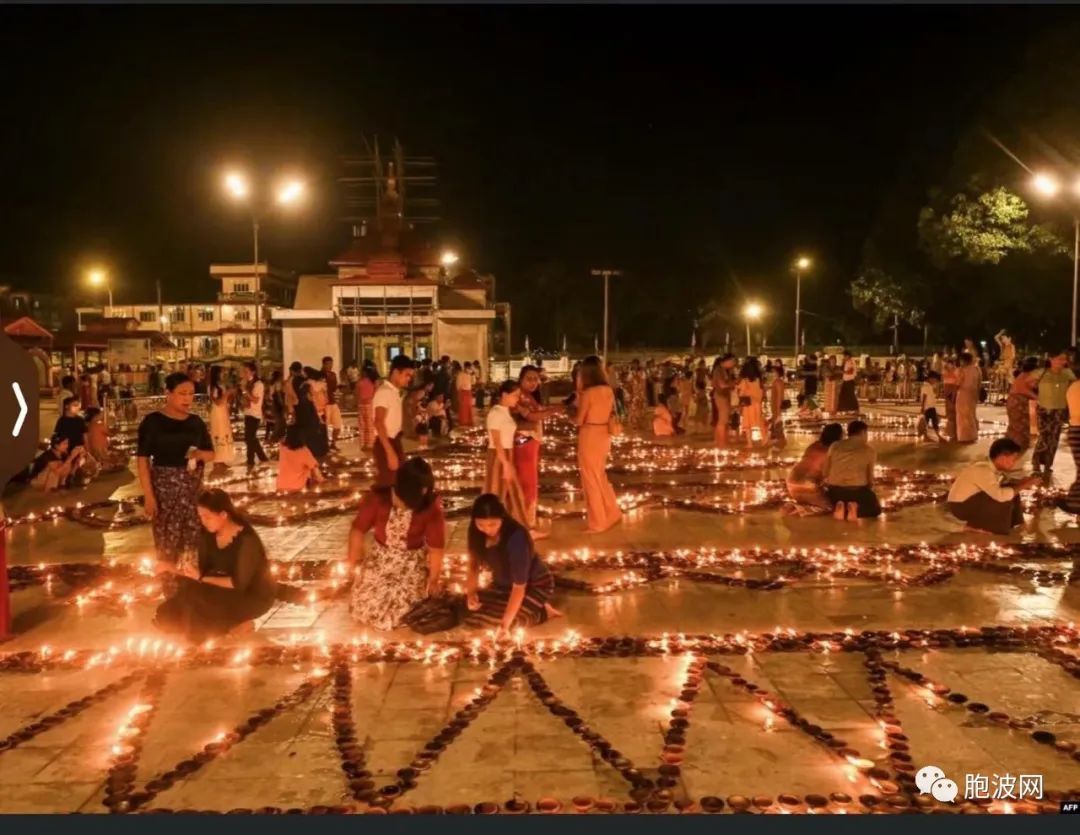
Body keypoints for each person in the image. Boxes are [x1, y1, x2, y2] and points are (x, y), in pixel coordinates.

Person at [153, 489, 277, 642]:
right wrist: (172, 568)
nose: (203, 521)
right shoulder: (208, 536)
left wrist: (201, 578)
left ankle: (235, 624)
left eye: (207, 517)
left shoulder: (247, 541)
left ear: (223, 515)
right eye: (200, 517)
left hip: (249, 596)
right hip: (218, 589)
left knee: (196, 604)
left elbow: (238, 583)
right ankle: (223, 624)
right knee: (166, 613)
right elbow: (201, 573)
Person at [347, 457, 446, 630]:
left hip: (410, 563)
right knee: (367, 605)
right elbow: (357, 530)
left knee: (404, 610)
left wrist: (434, 579)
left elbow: (436, 548)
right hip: (380, 559)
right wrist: (354, 561)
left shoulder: (430, 508)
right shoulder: (379, 500)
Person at [137, 373, 215, 567]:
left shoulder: (196, 422)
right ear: (168, 393)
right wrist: (149, 495)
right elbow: (142, 459)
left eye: (191, 394)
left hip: (193, 490)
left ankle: (191, 583)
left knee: (193, 541)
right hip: (165, 492)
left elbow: (211, 454)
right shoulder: (153, 422)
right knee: (167, 541)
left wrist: (198, 454)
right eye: (182, 393)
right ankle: (169, 583)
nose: (188, 398)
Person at [464, 493, 558, 636]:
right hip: (503, 585)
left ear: (502, 519)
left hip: (534, 585)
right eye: (481, 524)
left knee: (499, 623)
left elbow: (519, 586)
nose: (487, 529)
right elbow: (473, 566)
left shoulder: (517, 537)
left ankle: (544, 612)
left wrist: (504, 625)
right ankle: (528, 607)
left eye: (492, 524)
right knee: (467, 613)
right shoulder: (476, 533)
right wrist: (471, 594)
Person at [947, 438, 1040, 534]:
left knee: (1011, 488)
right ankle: (980, 526)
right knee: (1003, 497)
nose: (1014, 463)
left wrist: (1021, 483)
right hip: (961, 507)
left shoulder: (990, 467)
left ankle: (1013, 522)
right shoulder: (983, 470)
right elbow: (1000, 495)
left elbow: (1004, 483)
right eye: (1013, 459)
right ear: (1002, 457)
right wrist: (1024, 485)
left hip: (971, 502)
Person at [574, 355, 622, 534]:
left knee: (590, 478)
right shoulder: (607, 389)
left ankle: (598, 522)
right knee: (600, 475)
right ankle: (612, 512)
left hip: (590, 434)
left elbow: (579, 420)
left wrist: (575, 402)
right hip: (604, 435)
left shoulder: (589, 393)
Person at [514, 365, 561, 531]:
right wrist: (557, 409)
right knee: (527, 482)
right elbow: (533, 416)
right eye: (529, 379)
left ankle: (526, 520)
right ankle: (525, 522)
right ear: (521, 379)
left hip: (530, 443)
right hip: (524, 442)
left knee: (529, 482)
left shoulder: (529, 396)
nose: (533, 382)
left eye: (536, 379)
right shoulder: (519, 395)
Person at [486, 380, 530, 525]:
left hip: (507, 453)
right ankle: (489, 523)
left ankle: (520, 526)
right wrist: (505, 463)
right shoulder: (495, 413)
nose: (518, 399)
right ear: (504, 395)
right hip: (499, 455)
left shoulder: (505, 412)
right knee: (496, 491)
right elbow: (496, 441)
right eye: (515, 395)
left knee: (512, 492)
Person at [823, 420, 881, 521]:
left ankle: (841, 507)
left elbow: (825, 472)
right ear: (863, 432)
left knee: (832, 500)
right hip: (857, 491)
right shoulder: (869, 450)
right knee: (875, 510)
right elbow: (870, 480)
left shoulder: (835, 446)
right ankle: (854, 509)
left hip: (835, 491)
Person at [373, 354, 415, 487]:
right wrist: (389, 451)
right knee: (388, 483)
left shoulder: (395, 392)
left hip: (395, 441)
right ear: (396, 372)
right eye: (407, 375)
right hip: (386, 442)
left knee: (398, 481)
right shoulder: (384, 392)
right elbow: (378, 422)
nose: (409, 379)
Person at [784, 422, 844, 513]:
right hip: (807, 485)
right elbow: (828, 476)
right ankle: (797, 508)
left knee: (816, 499)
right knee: (829, 508)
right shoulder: (831, 452)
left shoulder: (814, 445)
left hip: (791, 481)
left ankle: (801, 504)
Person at [1033, 350, 1075, 474]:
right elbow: (1026, 383)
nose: (1063, 361)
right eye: (1060, 358)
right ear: (1051, 359)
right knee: (1043, 438)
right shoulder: (1041, 373)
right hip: (1043, 410)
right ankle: (1036, 463)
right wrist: (1035, 397)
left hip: (1059, 410)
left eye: (1064, 359)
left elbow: (1074, 385)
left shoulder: (1068, 373)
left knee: (1054, 438)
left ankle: (1047, 464)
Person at [276, 423, 325, 493]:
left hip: (281, 485)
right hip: (297, 488)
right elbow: (316, 472)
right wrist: (323, 481)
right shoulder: (304, 451)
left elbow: (282, 439)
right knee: (311, 468)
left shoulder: (282, 448)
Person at [1005, 357, 1040, 452]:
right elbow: (1031, 389)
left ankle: (1010, 444)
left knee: (1014, 425)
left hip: (1012, 401)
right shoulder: (1031, 376)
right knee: (1023, 425)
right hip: (1020, 402)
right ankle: (1018, 445)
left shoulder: (1021, 375)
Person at [240, 361, 269, 471]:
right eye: (244, 371)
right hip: (248, 412)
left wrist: (244, 391)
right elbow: (245, 398)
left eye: (246, 371)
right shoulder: (248, 383)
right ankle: (261, 457)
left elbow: (255, 400)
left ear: (253, 372)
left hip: (255, 414)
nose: (244, 373)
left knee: (250, 438)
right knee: (251, 438)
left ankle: (250, 460)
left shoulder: (258, 384)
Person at [207, 365, 234, 476]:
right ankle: (217, 460)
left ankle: (222, 459)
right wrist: (227, 394)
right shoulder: (213, 387)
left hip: (223, 411)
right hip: (217, 412)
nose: (224, 374)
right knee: (219, 433)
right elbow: (217, 402)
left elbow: (224, 400)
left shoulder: (220, 385)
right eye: (222, 372)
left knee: (224, 432)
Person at [296, 381, 329, 462]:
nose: (313, 391)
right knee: (313, 439)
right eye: (311, 389)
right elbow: (312, 412)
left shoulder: (302, 401)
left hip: (309, 423)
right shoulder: (307, 401)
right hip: (310, 423)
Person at [85, 407, 127, 471]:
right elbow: (110, 433)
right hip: (101, 448)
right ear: (96, 416)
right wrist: (117, 430)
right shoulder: (99, 425)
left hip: (94, 448)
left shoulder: (89, 425)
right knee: (118, 455)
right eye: (100, 414)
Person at [736, 358, 766, 447]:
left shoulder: (744, 380)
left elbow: (741, 392)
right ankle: (764, 439)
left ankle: (750, 443)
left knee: (747, 424)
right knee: (760, 421)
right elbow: (762, 391)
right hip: (757, 403)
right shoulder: (758, 379)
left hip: (748, 404)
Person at [954, 352, 981, 444]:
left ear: (963, 361)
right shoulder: (976, 369)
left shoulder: (961, 370)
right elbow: (979, 383)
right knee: (971, 414)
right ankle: (973, 435)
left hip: (963, 393)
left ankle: (964, 436)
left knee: (962, 415)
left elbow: (957, 383)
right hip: (973, 394)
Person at [710, 354, 736, 447]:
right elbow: (722, 385)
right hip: (720, 395)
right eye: (732, 361)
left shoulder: (725, 370)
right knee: (723, 419)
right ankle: (721, 442)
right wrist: (733, 383)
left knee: (724, 419)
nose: (733, 364)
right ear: (726, 361)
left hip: (724, 395)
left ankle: (720, 440)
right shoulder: (719, 370)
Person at [356, 361, 380, 451]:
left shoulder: (370, 381)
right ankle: (366, 443)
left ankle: (368, 444)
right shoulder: (368, 381)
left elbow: (376, 392)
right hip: (365, 404)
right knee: (365, 424)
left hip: (368, 404)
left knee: (367, 425)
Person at [322, 356, 344, 451]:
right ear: (323, 364)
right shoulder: (320, 375)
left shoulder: (333, 375)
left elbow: (334, 388)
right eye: (328, 364)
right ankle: (325, 444)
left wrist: (339, 388)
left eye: (331, 364)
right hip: (325, 404)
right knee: (325, 426)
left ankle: (333, 443)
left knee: (338, 425)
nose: (330, 366)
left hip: (333, 402)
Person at [918, 372, 942, 442]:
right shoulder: (926, 386)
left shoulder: (927, 385)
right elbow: (924, 397)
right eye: (935, 380)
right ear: (931, 378)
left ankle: (926, 436)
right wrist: (922, 407)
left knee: (927, 422)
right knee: (934, 422)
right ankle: (939, 437)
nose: (935, 382)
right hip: (929, 407)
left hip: (929, 407)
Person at [768, 360, 787, 447]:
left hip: (777, 408)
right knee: (775, 425)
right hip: (775, 408)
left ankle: (780, 442)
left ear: (777, 373)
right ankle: (777, 440)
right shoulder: (776, 382)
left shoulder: (778, 382)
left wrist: (778, 411)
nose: (770, 374)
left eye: (773, 372)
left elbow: (779, 397)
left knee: (777, 425)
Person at [456, 361, 476, 427]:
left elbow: (473, 383)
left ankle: (469, 420)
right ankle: (463, 421)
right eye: (467, 367)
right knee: (463, 408)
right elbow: (458, 385)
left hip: (469, 392)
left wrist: (473, 375)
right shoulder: (460, 374)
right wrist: (459, 393)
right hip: (463, 392)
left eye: (469, 367)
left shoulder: (470, 374)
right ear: (464, 367)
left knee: (469, 407)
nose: (468, 369)